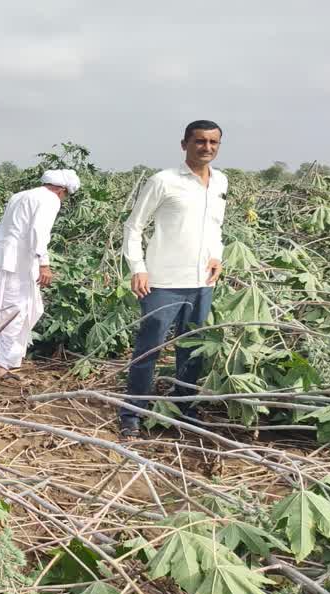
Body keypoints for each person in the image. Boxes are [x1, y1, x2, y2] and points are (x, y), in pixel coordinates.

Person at [120, 120, 228, 437]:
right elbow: (134, 226)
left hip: (202, 282)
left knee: (191, 348)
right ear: (184, 144)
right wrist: (137, 267)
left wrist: (217, 256)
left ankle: (185, 409)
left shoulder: (221, 182)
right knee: (149, 348)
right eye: (199, 141)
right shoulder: (163, 181)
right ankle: (132, 413)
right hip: (161, 281)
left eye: (213, 142)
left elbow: (215, 227)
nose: (206, 148)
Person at [0, 169, 81, 381]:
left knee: (16, 310)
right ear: (61, 190)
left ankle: (10, 361)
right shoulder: (49, 199)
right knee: (14, 312)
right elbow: (39, 231)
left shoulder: (20, 196)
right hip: (17, 263)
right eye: (65, 196)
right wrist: (44, 263)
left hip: (6, 258)